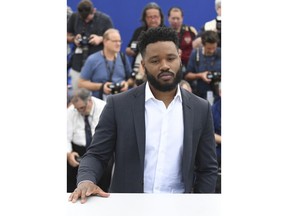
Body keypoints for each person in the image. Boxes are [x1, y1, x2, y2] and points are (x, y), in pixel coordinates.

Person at [69, 27, 218, 204]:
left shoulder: (200, 108)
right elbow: (96, 155)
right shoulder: (119, 105)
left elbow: (207, 168)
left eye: (170, 58)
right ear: (143, 66)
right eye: (155, 60)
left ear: (179, 57)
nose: (164, 65)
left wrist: (198, 206)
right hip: (127, 208)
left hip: (179, 208)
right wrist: (86, 181)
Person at [67, 88, 113, 192]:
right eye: (77, 109)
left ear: (89, 100)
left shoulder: (104, 107)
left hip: (100, 150)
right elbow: (65, 137)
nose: (79, 111)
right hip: (78, 151)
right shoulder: (71, 111)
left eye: (82, 108)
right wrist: (68, 154)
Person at [67, 0, 113, 91]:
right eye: (83, 19)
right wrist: (74, 39)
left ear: (94, 11)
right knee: (77, 96)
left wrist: (100, 39)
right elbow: (67, 35)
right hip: (78, 64)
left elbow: (113, 39)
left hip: (98, 65)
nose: (86, 21)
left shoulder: (105, 19)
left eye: (88, 18)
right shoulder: (74, 17)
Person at [78, 28, 134, 100]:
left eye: (120, 41)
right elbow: (81, 83)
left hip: (120, 100)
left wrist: (127, 84)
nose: (118, 44)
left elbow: (131, 79)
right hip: (100, 101)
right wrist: (101, 87)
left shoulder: (123, 58)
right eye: (115, 41)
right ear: (105, 41)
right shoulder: (92, 59)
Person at [125, 2, 165, 86]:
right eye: (150, 17)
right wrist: (133, 51)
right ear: (144, 19)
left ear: (161, 17)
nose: (153, 20)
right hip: (140, 71)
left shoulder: (167, 32)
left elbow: (177, 51)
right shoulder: (139, 32)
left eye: (156, 17)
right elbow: (128, 49)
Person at [184, 30, 221, 101]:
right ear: (203, 45)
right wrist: (201, 75)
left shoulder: (221, 52)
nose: (212, 51)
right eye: (209, 48)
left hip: (219, 95)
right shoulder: (196, 54)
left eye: (214, 48)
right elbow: (187, 76)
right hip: (200, 95)